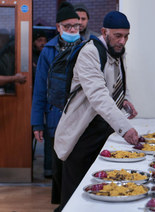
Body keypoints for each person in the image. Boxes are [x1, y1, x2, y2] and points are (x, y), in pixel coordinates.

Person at [54, 11, 139, 210]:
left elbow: (119, 82)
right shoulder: (90, 52)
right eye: (118, 36)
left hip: (103, 129)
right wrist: (125, 128)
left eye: (126, 36)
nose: (122, 41)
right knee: (75, 197)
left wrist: (125, 100)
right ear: (104, 31)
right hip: (82, 133)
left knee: (97, 191)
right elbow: (98, 95)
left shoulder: (117, 51)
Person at [31, 2, 81, 205]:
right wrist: (37, 123)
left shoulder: (86, 47)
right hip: (55, 116)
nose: (72, 30)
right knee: (59, 166)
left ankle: (77, 205)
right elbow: (40, 90)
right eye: (67, 26)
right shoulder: (48, 51)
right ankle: (62, 205)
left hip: (79, 116)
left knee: (76, 164)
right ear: (58, 27)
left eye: (75, 26)